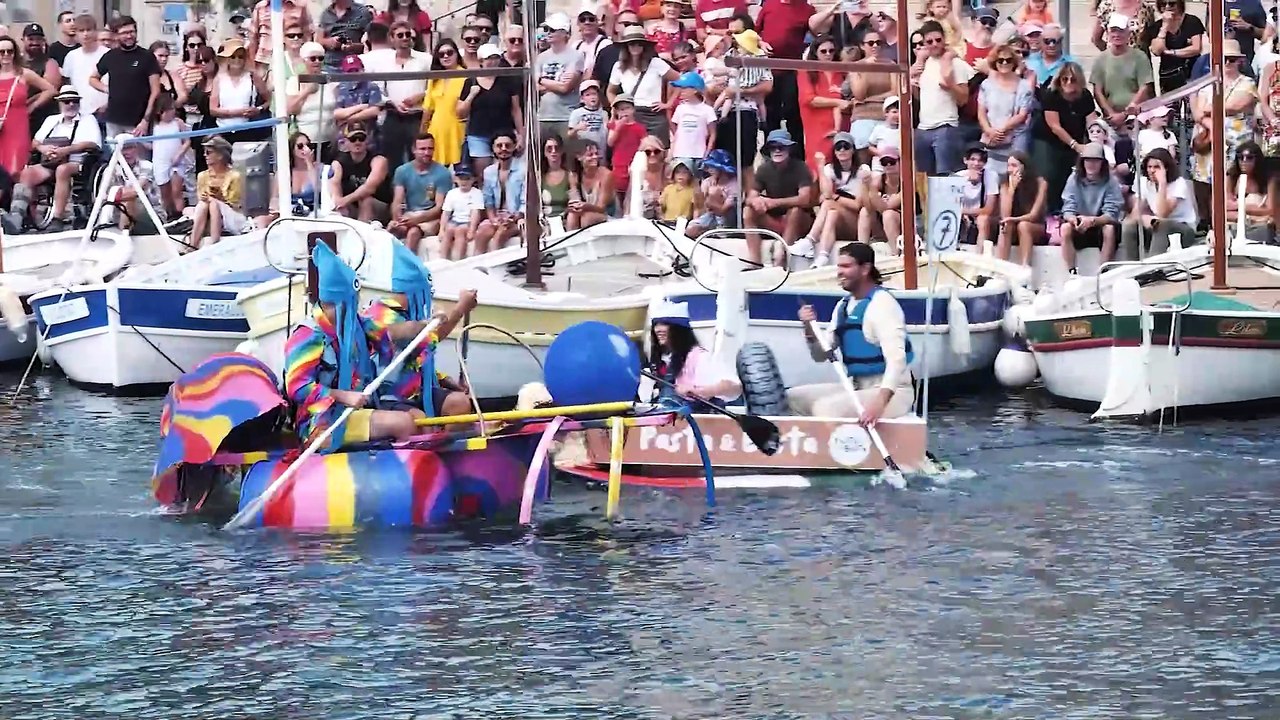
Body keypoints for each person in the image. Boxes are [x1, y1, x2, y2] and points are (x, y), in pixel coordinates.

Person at [284, 242, 467, 451]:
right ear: (333, 303)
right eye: (350, 304)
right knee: (404, 423)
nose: (356, 309)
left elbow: (393, 335)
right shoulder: (307, 335)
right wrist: (342, 395)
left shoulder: (358, 325)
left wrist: (425, 325)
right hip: (321, 420)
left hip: (359, 410)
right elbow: (297, 388)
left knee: (424, 417)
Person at [790, 242, 915, 423]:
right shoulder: (843, 306)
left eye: (846, 266)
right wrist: (809, 329)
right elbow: (820, 355)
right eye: (839, 266)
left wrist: (878, 405)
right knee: (793, 398)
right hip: (858, 387)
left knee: (826, 408)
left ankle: (839, 449)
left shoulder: (882, 305)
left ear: (865, 269)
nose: (839, 272)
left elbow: (897, 361)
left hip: (893, 393)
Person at [363, 242, 474, 420]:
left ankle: (445, 446)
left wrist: (444, 380)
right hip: (387, 395)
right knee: (418, 418)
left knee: (459, 403)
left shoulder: (412, 314)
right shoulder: (379, 313)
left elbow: (423, 351)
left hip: (419, 390)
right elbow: (413, 335)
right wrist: (457, 311)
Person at [4, 85, 101, 234]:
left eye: (74, 101)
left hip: (77, 161)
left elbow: (93, 143)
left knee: (63, 170)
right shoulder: (52, 120)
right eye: (67, 101)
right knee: (27, 174)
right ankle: (19, 216)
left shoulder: (88, 120)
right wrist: (44, 149)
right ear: (60, 103)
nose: (71, 105)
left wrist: (66, 150)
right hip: (51, 161)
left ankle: (58, 217)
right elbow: (35, 142)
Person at [644, 300, 742, 406]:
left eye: (665, 324)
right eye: (656, 324)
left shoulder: (700, 357)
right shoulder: (663, 361)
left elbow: (734, 388)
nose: (658, 329)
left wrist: (699, 391)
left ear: (680, 330)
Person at [746, 129, 814, 266]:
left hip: (799, 221)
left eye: (781, 147)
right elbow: (750, 197)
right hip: (774, 221)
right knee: (747, 211)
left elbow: (805, 199)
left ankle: (781, 258)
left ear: (789, 149)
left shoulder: (801, 167)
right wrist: (757, 201)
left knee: (795, 211)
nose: (777, 150)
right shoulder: (763, 169)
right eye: (773, 147)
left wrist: (773, 203)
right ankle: (754, 262)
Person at [90, 16, 161, 138]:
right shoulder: (110, 56)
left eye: (132, 32)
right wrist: (107, 89)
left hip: (138, 122)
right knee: (115, 156)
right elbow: (93, 79)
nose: (129, 36)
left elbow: (155, 91)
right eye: (124, 33)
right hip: (113, 121)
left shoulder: (147, 57)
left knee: (138, 156)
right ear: (116, 35)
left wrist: (145, 120)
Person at [1123, 147, 1198, 259]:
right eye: (1149, 167)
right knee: (1129, 225)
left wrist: (1162, 183)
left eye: (1157, 167)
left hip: (1183, 229)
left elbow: (1163, 213)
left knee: (1162, 224)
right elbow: (1135, 213)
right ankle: (1131, 266)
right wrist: (1143, 218)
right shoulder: (1144, 182)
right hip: (1157, 227)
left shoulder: (1178, 184)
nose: (1152, 170)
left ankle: (1155, 267)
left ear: (1166, 168)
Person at [1060, 142, 1125, 273]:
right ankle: (1071, 271)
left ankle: (1103, 272)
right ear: (1082, 162)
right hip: (1079, 223)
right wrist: (1073, 219)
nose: (1091, 164)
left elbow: (1112, 213)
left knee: (1109, 229)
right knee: (1065, 228)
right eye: (1088, 160)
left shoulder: (1111, 181)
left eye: (1095, 161)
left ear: (1102, 163)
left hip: (1101, 224)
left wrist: (1093, 221)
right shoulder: (1073, 178)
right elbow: (1068, 206)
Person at [389, 132, 452, 253]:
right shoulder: (402, 171)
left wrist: (417, 220)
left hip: (431, 218)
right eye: (422, 149)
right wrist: (397, 218)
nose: (427, 153)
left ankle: (408, 266)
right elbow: (397, 200)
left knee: (413, 232)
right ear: (414, 150)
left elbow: (439, 207)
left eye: (430, 149)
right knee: (392, 229)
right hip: (410, 214)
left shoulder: (442, 173)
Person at [189, 136, 248, 247]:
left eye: (208, 152)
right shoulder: (202, 176)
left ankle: (214, 242)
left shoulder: (235, 176)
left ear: (220, 155)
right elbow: (200, 198)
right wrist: (207, 198)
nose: (205, 155)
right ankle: (193, 244)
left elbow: (235, 203)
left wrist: (218, 198)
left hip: (231, 213)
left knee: (213, 203)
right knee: (205, 203)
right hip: (206, 212)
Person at [475, 131, 527, 253]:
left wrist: (514, 218)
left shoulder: (523, 170)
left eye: (507, 145)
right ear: (493, 148)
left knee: (500, 235)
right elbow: (488, 201)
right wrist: (493, 219)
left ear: (514, 146)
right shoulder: (489, 171)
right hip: (498, 217)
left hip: (518, 218)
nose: (503, 149)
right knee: (482, 233)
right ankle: (477, 267)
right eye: (499, 146)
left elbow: (526, 201)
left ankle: (496, 269)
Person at [330, 122, 392, 222]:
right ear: (346, 142)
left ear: (367, 140)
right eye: (353, 139)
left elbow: (369, 188)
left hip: (380, 205)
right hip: (352, 205)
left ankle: (363, 234)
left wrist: (345, 200)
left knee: (365, 199)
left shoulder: (378, 160)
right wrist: (338, 201)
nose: (357, 142)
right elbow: (334, 183)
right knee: (337, 205)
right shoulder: (338, 162)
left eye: (361, 138)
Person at [437, 163, 485, 260]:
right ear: (455, 179)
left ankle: (459, 259)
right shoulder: (452, 193)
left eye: (467, 178)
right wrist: (441, 230)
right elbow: (446, 213)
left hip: (467, 221)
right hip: (454, 220)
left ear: (473, 179)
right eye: (461, 178)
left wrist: (472, 230)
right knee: (448, 231)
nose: (464, 181)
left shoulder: (476, 193)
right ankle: (442, 259)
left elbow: (475, 213)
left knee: (460, 232)